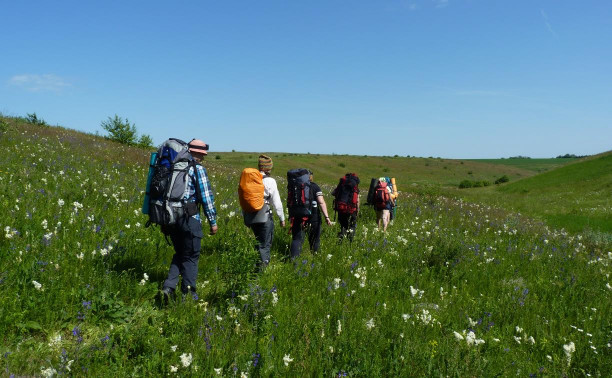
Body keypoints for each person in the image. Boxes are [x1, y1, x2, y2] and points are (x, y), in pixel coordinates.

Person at [161, 139, 217, 301]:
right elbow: (206, 198)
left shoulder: (172, 167)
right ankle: (189, 295)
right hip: (189, 218)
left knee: (180, 253)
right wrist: (213, 222)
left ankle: (169, 287)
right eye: (203, 154)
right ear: (199, 153)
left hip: (170, 217)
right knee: (192, 255)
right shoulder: (197, 168)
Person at [248, 155, 285, 269]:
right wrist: (282, 218)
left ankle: (255, 264)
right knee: (265, 244)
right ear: (268, 168)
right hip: (265, 215)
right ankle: (261, 271)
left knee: (258, 241)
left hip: (251, 215)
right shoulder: (270, 181)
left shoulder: (251, 179)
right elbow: (276, 202)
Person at [290, 171, 333, 258]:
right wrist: (327, 217)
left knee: (297, 239)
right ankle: (315, 259)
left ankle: (293, 260)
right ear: (311, 177)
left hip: (297, 217)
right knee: (315, 240)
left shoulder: (294, 186)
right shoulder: (315, 186)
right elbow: (321, 202)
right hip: (313, 217)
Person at [332, 174, 360, 242]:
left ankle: (341, 240)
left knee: (343, 226)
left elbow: (334, 193)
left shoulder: (342, 184)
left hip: (341, 209)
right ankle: (350, 241)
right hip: (352, 210)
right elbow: (357, 200)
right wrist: (357, 210)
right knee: (352, 226)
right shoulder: (354, 187)